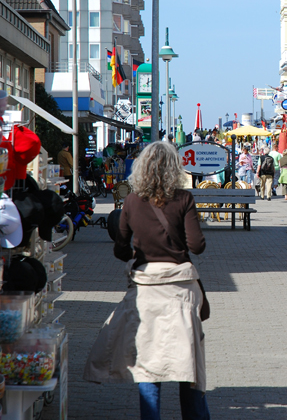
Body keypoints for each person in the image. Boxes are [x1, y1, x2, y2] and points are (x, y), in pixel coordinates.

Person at [83, 141, 210, 420]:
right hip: (180, 290)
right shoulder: (184, 199)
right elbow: (197, 246)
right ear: (174, 168)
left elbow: (119, 248)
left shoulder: (131, 200)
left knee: (149, 366)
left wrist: (137, 254)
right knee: (188, 366)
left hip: (146, 290)